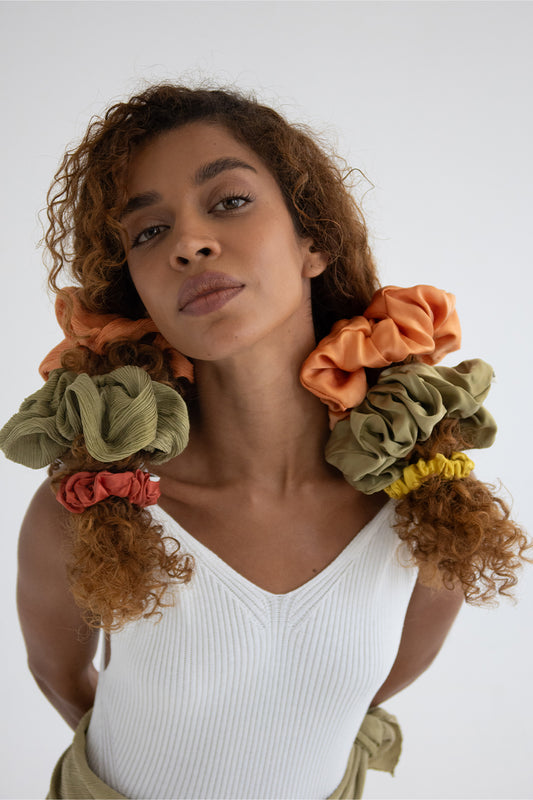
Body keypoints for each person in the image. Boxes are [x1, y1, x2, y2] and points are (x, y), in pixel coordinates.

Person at [1, 84, 529, 800]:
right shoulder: (92, 506)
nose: (189, 243)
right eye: (148, 232)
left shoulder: (425, 504)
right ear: (137, 292)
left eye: (229, 201)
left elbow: (378, 684)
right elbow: (60, 676)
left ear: (314, 241)